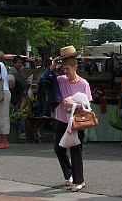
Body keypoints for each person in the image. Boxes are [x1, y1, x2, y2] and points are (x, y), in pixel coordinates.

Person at [49, 46, 92, 193]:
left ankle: (80, 180)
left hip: (77, 121)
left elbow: (87, 105)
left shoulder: (83, 83)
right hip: (61, 119)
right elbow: (45, 79)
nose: (65, 71)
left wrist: (72, 104)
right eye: (63, 68)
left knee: (76, 150)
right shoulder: (60, 80)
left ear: (75, 66)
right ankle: (69, 174)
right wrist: (53, 65)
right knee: (58, 149)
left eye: (67, 68)